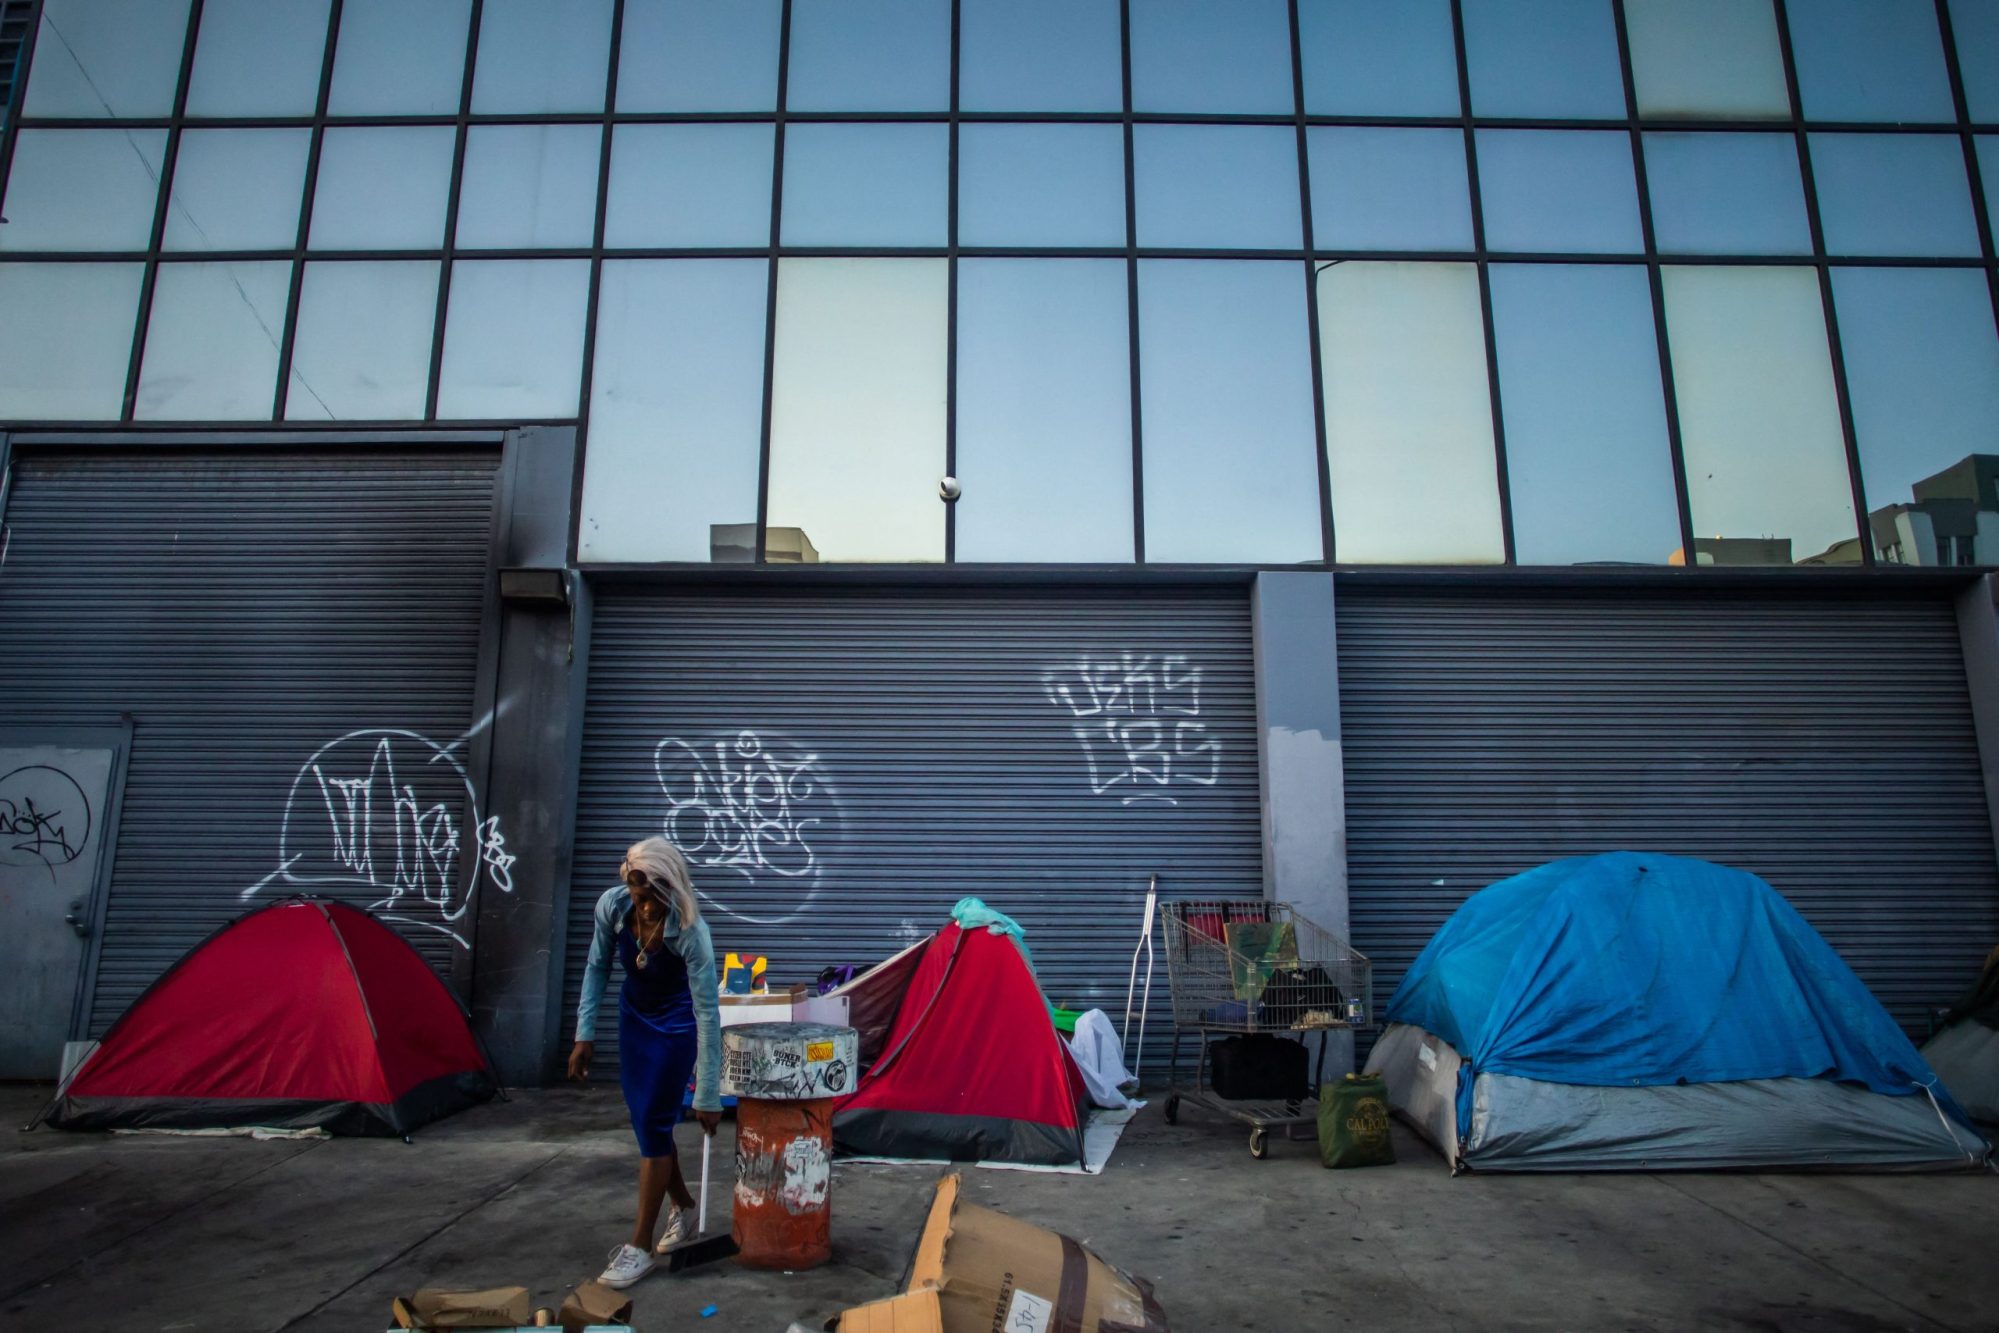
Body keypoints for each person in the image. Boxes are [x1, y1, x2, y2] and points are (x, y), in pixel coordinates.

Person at [568, 837, 723, 1289]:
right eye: (640, 898)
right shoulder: (613, 908)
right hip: (633, 1021)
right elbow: (597, 967)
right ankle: (686, 1207)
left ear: (671, 889)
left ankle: (638, 1247)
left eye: (655, 897)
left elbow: (708, 1014)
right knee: (647, 1124)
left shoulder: (691, 931)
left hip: (675, 1028)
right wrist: (584, 1034)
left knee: (654, 1125)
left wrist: (708, 1093)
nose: (647, 908)